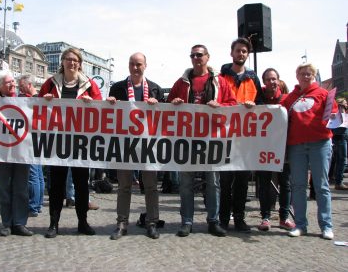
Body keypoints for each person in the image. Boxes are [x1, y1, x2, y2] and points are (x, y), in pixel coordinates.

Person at [167, 44, 237, 237]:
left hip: (212, 137)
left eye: (199, 55)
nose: (196, 58)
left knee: (213, 182)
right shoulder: (182, 82)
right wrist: (174, 103)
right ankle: (187, 221)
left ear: (208, 57)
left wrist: (220, 105)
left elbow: (233, 104)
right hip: (187, 138)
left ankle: (213, 221)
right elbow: (168, 104)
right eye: (193, 55)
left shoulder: (219, 81)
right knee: (186, 182)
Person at [39, 47, 102, 238]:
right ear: (62, 62)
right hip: (57, 142)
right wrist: (45, 100)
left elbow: (102, 109)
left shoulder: (90, 85)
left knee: (81, 184)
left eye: (75, 60)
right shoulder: (50, 84)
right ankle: (53, 224)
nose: (72, 63)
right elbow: (36, 107)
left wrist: (93, 103)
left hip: (81, 143)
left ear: (80, 63)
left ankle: (82, 222)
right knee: (56, 184)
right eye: (68, 59)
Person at [107, 52, 164, 240]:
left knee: (151, 186)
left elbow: (166, 118)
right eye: (132, 63)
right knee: (124, 186)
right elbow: (109, 115)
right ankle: (122, 223)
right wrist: (110, 104)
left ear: (145, 65)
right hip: (125, 144)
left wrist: (159, 105)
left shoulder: (155, 89)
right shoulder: (117, 88)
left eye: (139, 64)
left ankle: (152, 222)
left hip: (148, 144)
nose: (135, 67)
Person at [282, 63, 336, 240]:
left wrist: (335, 116)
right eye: (302, 74)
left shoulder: (323, 94)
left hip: (320, 143)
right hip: (296, 145)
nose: (306, 77)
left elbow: (334, 114)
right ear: (297, 76)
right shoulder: (291, 97)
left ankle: (326, 226)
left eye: (309, 74)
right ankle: (300, 224)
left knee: (321, 186)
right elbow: (277, 112)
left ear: (313, 77)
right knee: (298, 186)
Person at [219, 37, 264, 233]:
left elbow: (261, 105)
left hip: (245, 138)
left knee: (242, 181)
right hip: (224, 136)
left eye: (244, 51)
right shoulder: (221, 76)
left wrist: (254, 107)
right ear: (232, 53)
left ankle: (239, 217)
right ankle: (223, 219)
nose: (241, 54)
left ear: (247, 54)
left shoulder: (253, 78)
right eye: (238, 50)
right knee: (225, 180)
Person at [0, 70, 33, 237]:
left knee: (21, 188)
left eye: (13, 82)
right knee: (5, 188)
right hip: (2, 153)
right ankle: (7, 223)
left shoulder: (25, 100)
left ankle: (20, 223)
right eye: (8, 82)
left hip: (22, 151)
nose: (13, 84)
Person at [256, 68, 295, 231]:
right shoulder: (257, 99)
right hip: (263, 148)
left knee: (285, 184)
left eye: (274, 79)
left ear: (278, 80)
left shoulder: (286, 100)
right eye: (268, 79)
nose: (271, 82)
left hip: (283, 148)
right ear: (264, 81)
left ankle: (283, 217)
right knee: (264, 184)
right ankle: (265, 217)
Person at [18, 75, 45, 217]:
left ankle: (33, 206)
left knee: (33, 174)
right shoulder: (39, 98)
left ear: (29, 85)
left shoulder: (33, 100)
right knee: (38, 174)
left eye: (21, 86)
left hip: (31, 139)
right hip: (37, 138)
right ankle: (38, 204)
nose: (19, 89)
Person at [332, 97, 348, 190]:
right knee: (341, 160)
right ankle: (339, 182)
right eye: (345, 103)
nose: (346, 104)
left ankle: (337, 180)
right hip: (340, 137)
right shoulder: (340, 108)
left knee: (339, 160)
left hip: (340, 137)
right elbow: (342, 122)